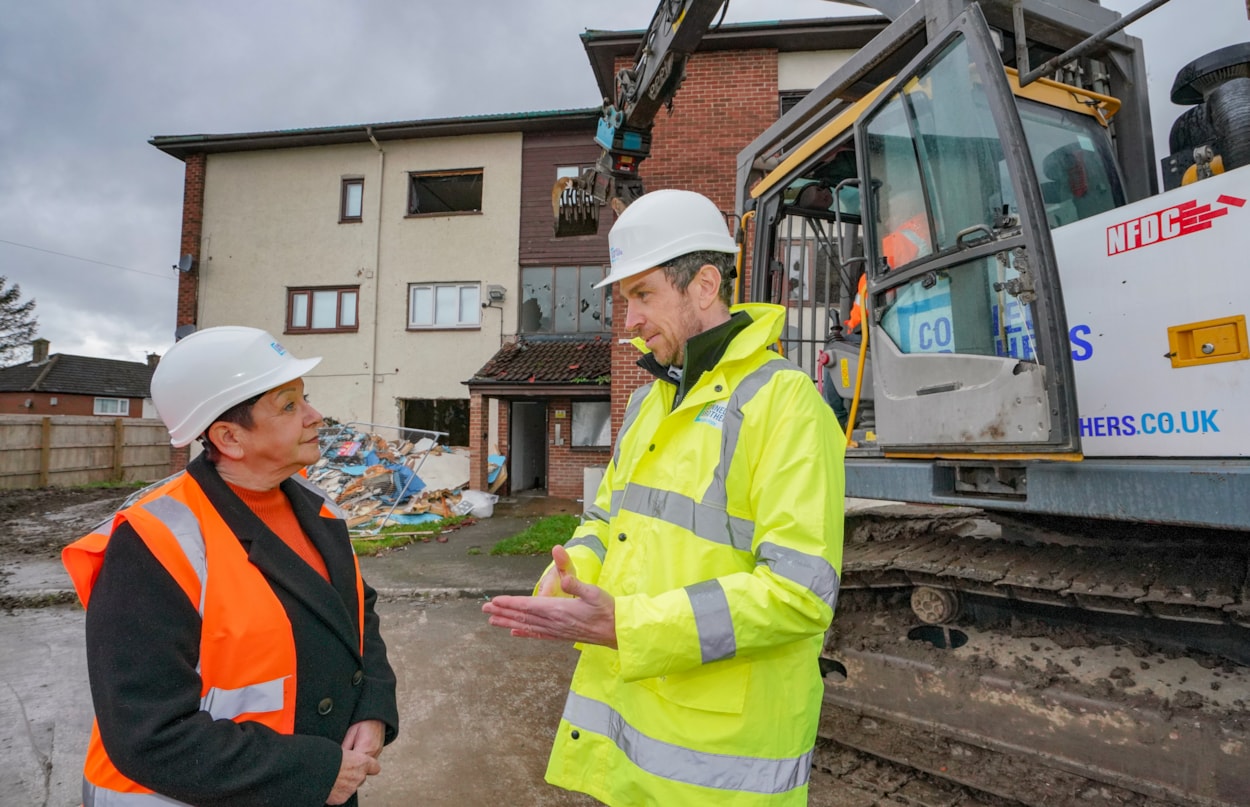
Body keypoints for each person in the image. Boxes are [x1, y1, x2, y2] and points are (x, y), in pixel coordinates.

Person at [483, 189, 845, 806]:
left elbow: (800, 594)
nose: (629, 321)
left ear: (704, 286)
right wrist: (568, 576)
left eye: (642, 296)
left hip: (723, 767)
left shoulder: (786, 405)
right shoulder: (649, 402)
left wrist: (628, 625)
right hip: (636, 739)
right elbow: (607, 517)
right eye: (626, 302)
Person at [62, 326, 399, 807]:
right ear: (229, 437)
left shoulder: (318, 506)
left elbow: (357, 616)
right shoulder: (154, 541)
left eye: (306, 398)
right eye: (288, 406)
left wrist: (373, 708)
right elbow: (148, 733)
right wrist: (316, 770)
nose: (314, 416)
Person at [843, 188, 932, 333]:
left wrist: (852, 328)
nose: (888, 223)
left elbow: (873, 284)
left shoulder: (901, 240)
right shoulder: (933, 229)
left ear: (907, 213)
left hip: (913, 318)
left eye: (892, 214)